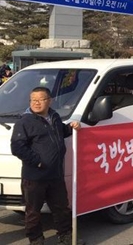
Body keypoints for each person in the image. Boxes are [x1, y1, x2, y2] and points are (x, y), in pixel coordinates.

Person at [10, 87, 82, 245]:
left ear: (50, 101)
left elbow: (60, 132)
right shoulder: (25, 122)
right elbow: (17, 147)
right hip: (34, 177)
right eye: (32, 99)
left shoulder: (54, 117)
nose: (36, 103)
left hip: (55, 174)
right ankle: (36, 240)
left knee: (61, 208)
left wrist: (71, 127)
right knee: (33, 212)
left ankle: (66, 237)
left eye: (40, 99)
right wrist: (38, 161)